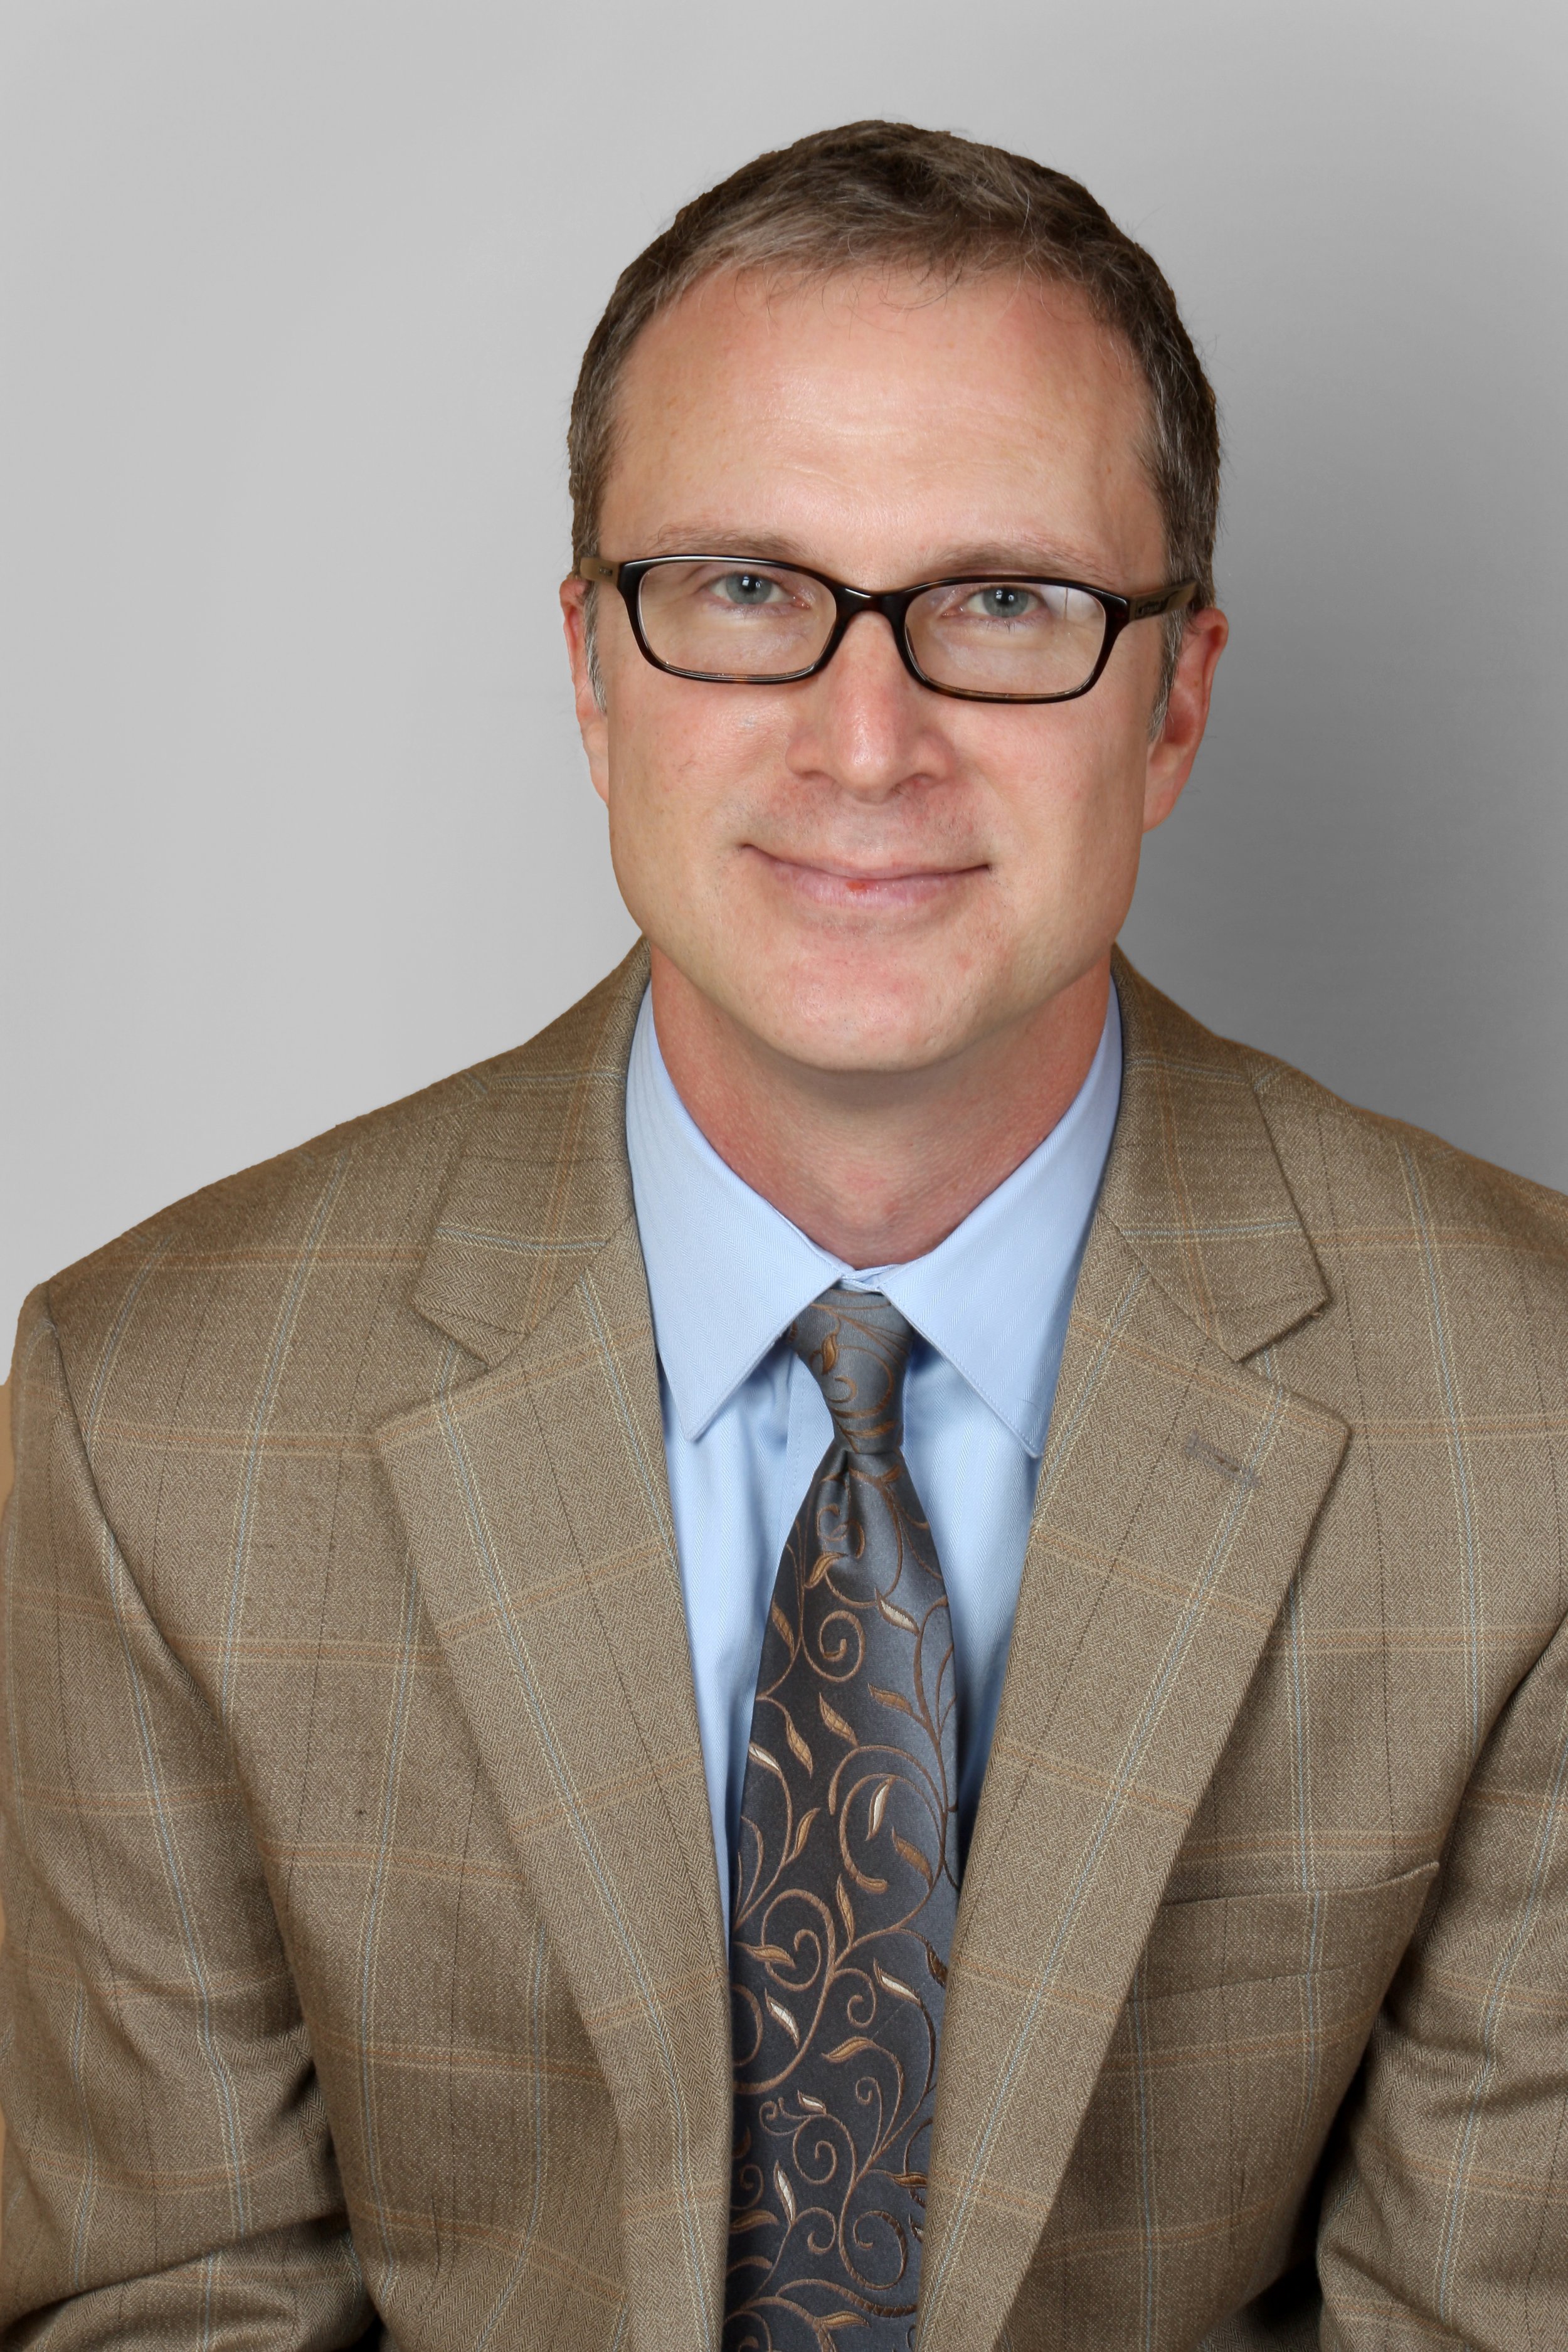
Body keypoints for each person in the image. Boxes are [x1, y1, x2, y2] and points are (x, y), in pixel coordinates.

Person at [3, 117, 1564, 2352]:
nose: (865, 739)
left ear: (1175, 704)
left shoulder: (1534, 1431)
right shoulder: (152, 1422)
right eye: (744, 591)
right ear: (590, 667)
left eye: (1001, 603)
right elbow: (169, 2308)